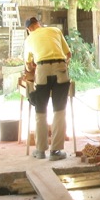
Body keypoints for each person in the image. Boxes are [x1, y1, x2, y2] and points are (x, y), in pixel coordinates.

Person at [23, 17, 72, 160]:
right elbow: (68, 54)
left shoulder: (29, 39)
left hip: (42, 71)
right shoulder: (55, 31)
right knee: (59, 111)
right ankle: (55, 151)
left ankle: (40, 151)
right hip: (60, 69)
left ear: (29, 29)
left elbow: (28, 65)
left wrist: (32, 67)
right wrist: (63, 65)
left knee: (41, 111)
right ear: (39, 24)